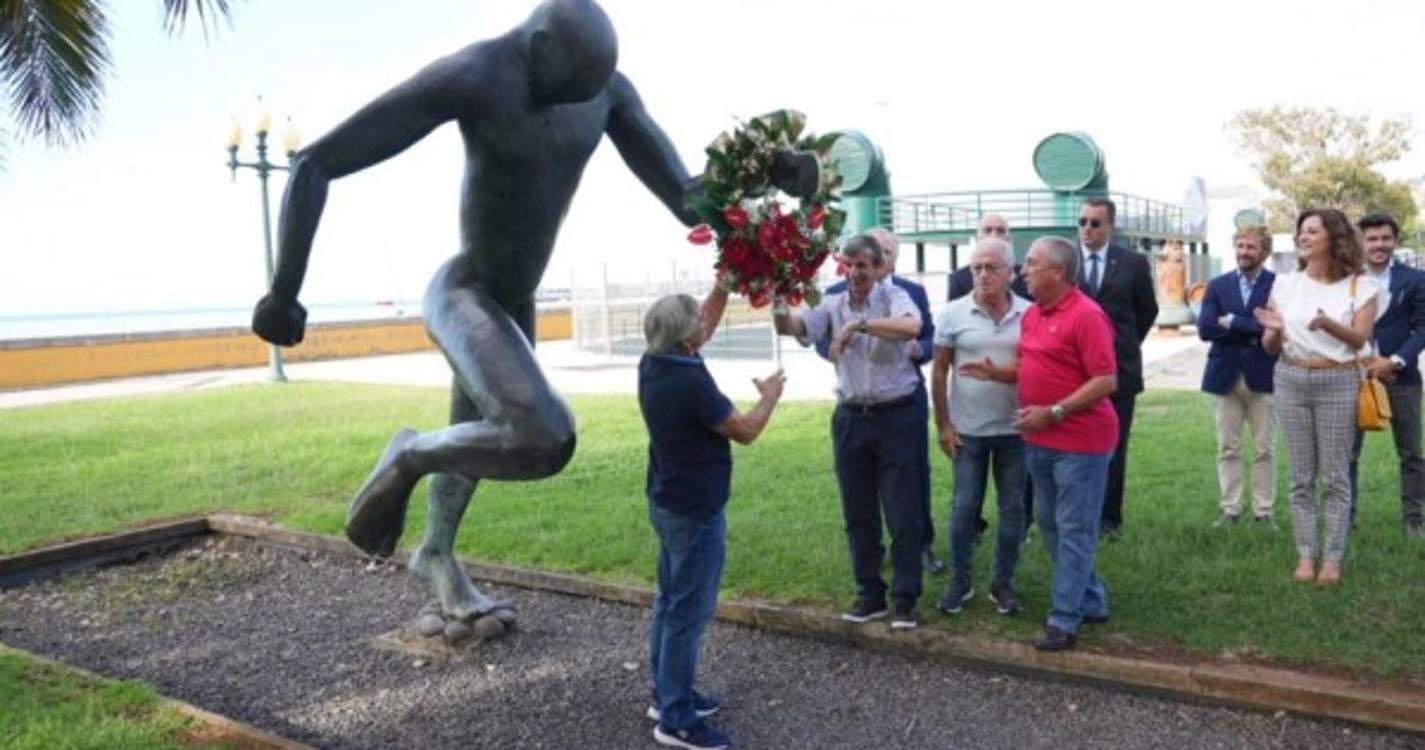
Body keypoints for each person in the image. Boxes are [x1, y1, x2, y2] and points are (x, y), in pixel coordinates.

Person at [248, 0, 816, 622]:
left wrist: (765, 174)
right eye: (561, 90)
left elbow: (685, 198)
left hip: (515, 300)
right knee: (543, 436)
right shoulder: (473, 75)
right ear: (538, 46)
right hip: (465, 291)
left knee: (480, 443)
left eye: (585, 92)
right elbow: (317, 161)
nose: (570, 103)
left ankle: (435, 552)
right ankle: (408, 454)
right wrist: (284, 291)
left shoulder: (606, 94)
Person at [639, 288, 785, 750]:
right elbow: (745, 430)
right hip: (695, 510)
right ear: (687, 342)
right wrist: (771, 396)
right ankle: (677, 719)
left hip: (666, 500)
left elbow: (703, 323)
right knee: (688, 612)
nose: (706, 326)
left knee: (669, 602)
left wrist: (724, 284)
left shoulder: (654, 362)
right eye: (698, 325)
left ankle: (666, 695)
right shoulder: (690, 384)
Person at [962, 236, 1117, 651]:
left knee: (1074, 529)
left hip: (1080, 443)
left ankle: (1064, 619)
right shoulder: (1033, 316)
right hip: (1040, 438)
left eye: (1031, 264)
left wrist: (1056, 411)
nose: (1022, 271)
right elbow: (1035, 366)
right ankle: (1092, 600)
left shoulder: (1087, 315)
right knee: (1050, 526)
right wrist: (999, 374)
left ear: (1058, 272)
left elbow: (1105, 380)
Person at [773, 234, 926, 629]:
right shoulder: (832, 302)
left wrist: (858, 325)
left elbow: (913, 326)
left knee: (902, 509)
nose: (855, 273)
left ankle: (905, 598)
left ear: (878, 268)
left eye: (863, 265)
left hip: (897, 416)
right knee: (857, 511)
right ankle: (869, 593)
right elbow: (794, 326)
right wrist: (776, 301)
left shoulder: (894, 297)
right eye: (849, 265)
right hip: (852, 417)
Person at [1255, 208, 1378, 586]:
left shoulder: (1361, 285)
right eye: (1301, 232)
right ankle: (1306, 555)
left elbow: (1361, 340)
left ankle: (1333, 559)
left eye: (1312, 231)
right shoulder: (1285, 285)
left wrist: (1328, 323)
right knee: (1301, 477)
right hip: (1291, 377)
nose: (1303, 237)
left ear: (1334, 238)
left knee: (1335, 476)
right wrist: (1274, 330)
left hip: (1338, 380)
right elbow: (1270, 346)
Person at [816, 227, 942, 575]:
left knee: (912, 482)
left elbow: (927, 335)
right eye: (866, 255)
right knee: (859, 498)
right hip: (856, 404)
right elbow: (819, 335)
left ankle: (921, 547)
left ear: (889, 260)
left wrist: (919, 352)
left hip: (903, 401)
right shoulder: (835, 296)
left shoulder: (909, 293)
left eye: (884, 253)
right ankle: (872, 572)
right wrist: (833, 348)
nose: (875, 259)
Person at [930, 237, 1030, 616]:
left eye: (991, 268)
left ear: (1011, 272)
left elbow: (1036, 369)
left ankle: (1003, 584)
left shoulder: (1028, 314)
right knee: (963, 508)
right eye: (976, 268)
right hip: (967, 432)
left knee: (1012, 509)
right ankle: (961, 581)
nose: (983, 275)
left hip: (1015, 432)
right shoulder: (953, 314)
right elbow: (939, 372)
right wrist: (943, 424)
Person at [1076, 198, 1158, 539]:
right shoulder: (1066, 262)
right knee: (1076, 447)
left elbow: (1147, 312)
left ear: (1110, 226)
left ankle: (1109, 520)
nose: (1087, 229)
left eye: (1095, 223)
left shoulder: (1133, 263)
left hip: (1118, 372)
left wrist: (1120, 347)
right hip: (1075, 373)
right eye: (1082, 222)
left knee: (1113, 446)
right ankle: (1078, 517)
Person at [947, 213, 1032, 536]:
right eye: (988, 229)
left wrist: (1001, 374)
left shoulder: (1027, 293)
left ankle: (1009, 564)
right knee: (965, 500)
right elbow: (942, 363)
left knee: (1013, 501)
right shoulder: (958, 288)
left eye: (1001, 230)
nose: (983, 275)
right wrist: (944, 421)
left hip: (1015, 419)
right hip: (970, 422)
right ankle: (963, 570)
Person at [1349, 212, 1425, 540]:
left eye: (1385, 238)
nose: (1379, 245)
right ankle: (1345, 520)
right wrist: (1365, 363)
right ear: (1361, 242)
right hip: (1354, 377)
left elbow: (1422, 328)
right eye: (1372, 239)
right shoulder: (1346, 278)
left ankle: (1414, 521)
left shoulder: (1416, 279)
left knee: (1411, 453)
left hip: (1401, 379)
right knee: (1347, 454)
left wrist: (1394, 362)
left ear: (1394, 240)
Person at [1198, 225, 1279, 529]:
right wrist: (1253, 328)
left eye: (1251, 247)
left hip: (1264, 374)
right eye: (1240, 246)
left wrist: (1232, 322)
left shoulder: (1277, 285)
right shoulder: (1218, 285)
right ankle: (1230, 510)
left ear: (1264, 252)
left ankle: (1263, 512)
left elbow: (1279, 326)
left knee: (1264, 448)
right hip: (1225, 376)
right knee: (1227, 447)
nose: (1244, 252)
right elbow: (1206, 328)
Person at [947, 213, 1030, 300]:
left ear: (1009, 239)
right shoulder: (959, 279)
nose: (994, 235)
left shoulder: (1026, 276)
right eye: (988, 230)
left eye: (1000, 231)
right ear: (977, 238)